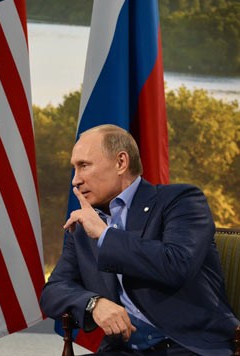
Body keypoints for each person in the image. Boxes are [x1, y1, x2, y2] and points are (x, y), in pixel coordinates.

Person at [40, 124, 239, 355]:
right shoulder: (84, 226)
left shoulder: (180, 200)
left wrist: (105, 235)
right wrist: (94, 303)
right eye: (74, 169)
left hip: (188, 346)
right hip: (123, 349)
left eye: (84, 166)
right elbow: (54, 290)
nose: (75, 180)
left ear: (121, 162)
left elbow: (177, 264)